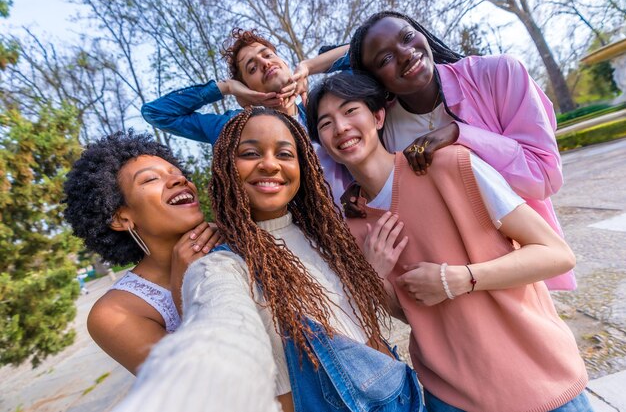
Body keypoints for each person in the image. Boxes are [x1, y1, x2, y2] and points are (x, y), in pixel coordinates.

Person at [306, 72, 592, 412]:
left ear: (378, 116)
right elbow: (410, 312)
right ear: (321, 141)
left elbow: (556, 254)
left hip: (540, 379)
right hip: (453, 397)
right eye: (326, 123)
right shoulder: (350, 225)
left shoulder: (451, 165)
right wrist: (375, 275)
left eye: (351, 110)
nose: (340, 127)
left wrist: (459, 278)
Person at [111, 108, 424, 412]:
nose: (270, 164)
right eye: (250, 153)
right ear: (224, 167)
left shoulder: (327, 235)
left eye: (286, 154)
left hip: (403, 395)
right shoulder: (218, 264)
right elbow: (219, 319)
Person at [342, 11, 574, 290]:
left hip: (521, 260)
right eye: (385, 59)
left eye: (407, 37)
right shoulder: (383, 127)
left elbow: (544, 177)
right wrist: (364, 193)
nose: (405, 54)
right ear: (373, 79)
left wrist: (459, 134)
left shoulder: (499, 73)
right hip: (447, 277)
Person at [63, 131, 220, 374]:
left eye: (178, 174)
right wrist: (183, 286)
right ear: (121, 218)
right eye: (149, 180)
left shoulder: (235, 244)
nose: (180, 180)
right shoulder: (113, 314)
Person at [141, 28, 352, 204]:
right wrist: (226, 88)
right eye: (252, 68)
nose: (264, 62)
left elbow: (367, 48)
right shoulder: (235, 128)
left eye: (268, 55)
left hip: (366, 222)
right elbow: (157, 113)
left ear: (285, 64)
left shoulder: (322, 107)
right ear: (247, 92)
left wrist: (309, 66)